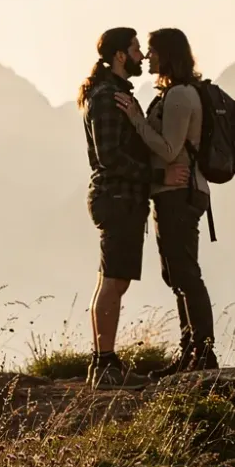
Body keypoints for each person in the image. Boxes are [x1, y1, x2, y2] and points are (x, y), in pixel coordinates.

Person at [116, 27, 217, 371]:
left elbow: (170, 150)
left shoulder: (178, 96)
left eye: (152, 51)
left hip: (180, 194)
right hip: (176, 193)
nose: (146, 57)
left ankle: (202, 353)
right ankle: (190, 352)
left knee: (185, 273)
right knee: (176, 273)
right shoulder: (174, 93)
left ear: (167, 54)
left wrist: (136, 119)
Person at [78, 27, 164, 385]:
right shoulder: (107, 96)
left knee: (113, 279)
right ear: (119, 56)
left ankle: (103, 363)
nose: (142, 56)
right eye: (135, 49)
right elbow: (109, 155)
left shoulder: (112, 93)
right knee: (114, 280)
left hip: (118, 197)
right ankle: (105, 365)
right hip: (117, 196)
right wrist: (148, 174)